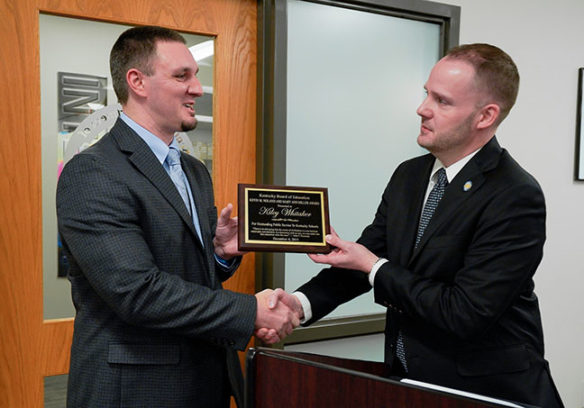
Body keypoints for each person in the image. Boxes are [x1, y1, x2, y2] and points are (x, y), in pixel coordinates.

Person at [263, 43, 564, 408]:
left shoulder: (515, 194)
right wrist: (298, 305)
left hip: (487, 391)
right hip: (409, 381)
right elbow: (363, 260)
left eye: (442, 101)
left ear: (485, 116)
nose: (422, 109)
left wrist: (374, 266)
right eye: (426, 94)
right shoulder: (409, 175)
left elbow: (463, 313)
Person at [56, 25, 297, 408]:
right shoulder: (93, 172)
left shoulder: (192, 169)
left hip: (204, 379)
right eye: (181, 76)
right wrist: (251, 310)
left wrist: (217, 254)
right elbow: (137, 291)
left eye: (195, 75)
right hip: (135, 390)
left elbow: (182, 271)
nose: (197, 89)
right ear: (137, 82)